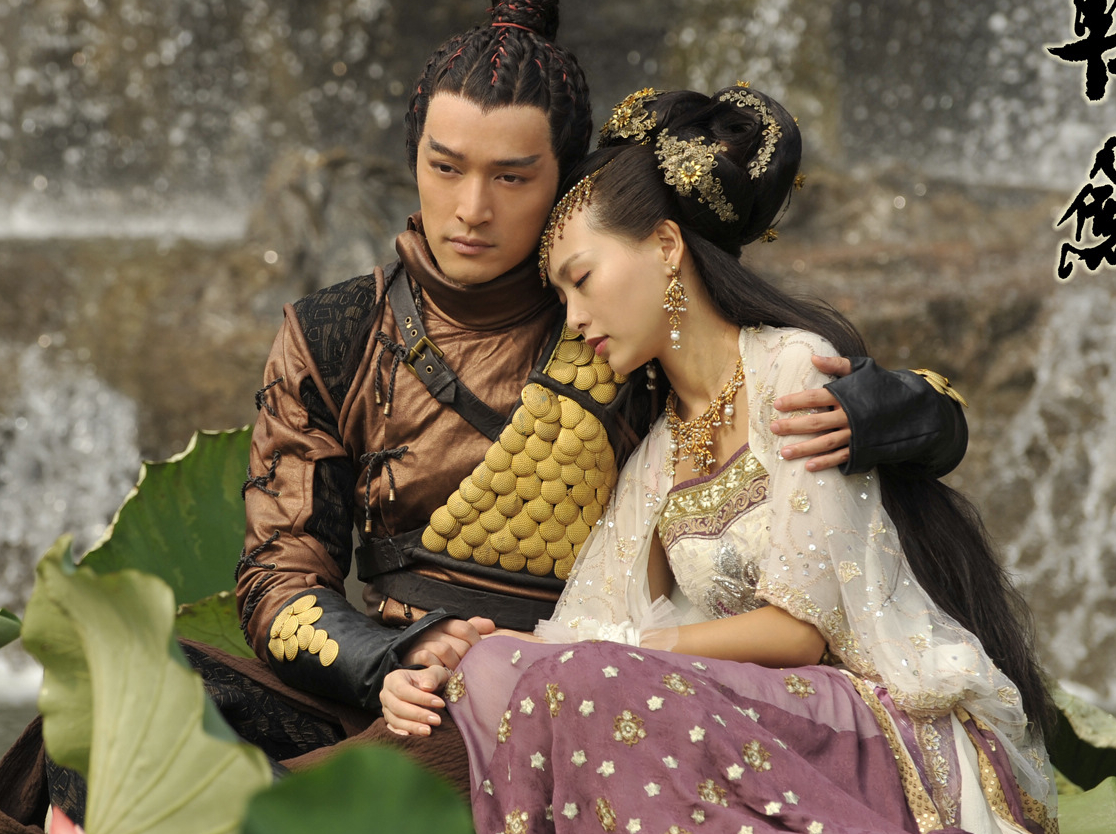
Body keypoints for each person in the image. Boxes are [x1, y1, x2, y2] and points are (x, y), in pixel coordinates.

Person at [0, 0, 973, 834]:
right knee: (111, 695)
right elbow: (277, 575)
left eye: (512, 177)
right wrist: (387, 658)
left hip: (544, 693)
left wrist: (905, 414)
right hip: (381, 684)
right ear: (413, 157)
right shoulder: (335, 332)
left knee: (294, 801)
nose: (471, 209)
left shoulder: (613, 323)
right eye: (445, 169)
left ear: (565, 181)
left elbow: (762, 375)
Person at [381, 85, 1056, 834]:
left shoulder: (794, 371)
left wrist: (622, 651)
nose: (573, 319)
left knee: (592, 678)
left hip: (864, 725)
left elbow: (798, 633)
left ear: (667, 247)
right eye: (561, 294)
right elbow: (588, 625)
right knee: (492, 671)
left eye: (583, 278)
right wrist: (458, 655)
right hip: (745, 721)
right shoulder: (656, 455)